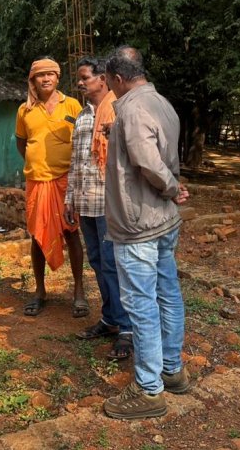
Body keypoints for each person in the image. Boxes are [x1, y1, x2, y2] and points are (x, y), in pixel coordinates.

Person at [101, 46, 190, 420]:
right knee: (166, 293)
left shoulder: (132, 109)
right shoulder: (159, 102)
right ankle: (172, 370)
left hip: (140, 223)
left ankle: (149, 389)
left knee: (141, 303)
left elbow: (147, 161)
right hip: (161, 220)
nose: (108, 89)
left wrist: (171, 187)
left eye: (108, 82)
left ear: (118, 79)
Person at [63, 58, 133, 360]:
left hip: (109, 202)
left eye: (84, 78)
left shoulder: (118, 111)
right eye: (79, 79)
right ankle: (110, 319)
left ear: (102, 78)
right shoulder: (81, 117)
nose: (80, 83)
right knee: (96, 261)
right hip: (86, 202)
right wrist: (70, 199)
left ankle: (127, 328)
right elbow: (76, 163)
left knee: (113, 264)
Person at [15, 57, 87, 317]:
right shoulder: (25, 110)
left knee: (71, 232)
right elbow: (22, 144)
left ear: (58, 78)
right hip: (37, 182)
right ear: (32, 80)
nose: (45, 79)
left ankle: (79, 291)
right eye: (40, 75)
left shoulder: (73, 105)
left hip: (66, 182)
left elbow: (82, 142)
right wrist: (38, 165)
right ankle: (40, 291)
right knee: (37, 235)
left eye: (50, 75)